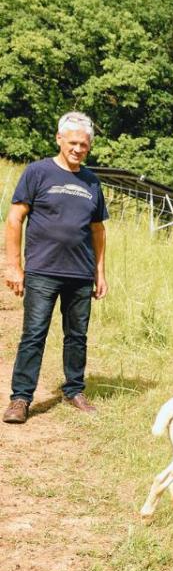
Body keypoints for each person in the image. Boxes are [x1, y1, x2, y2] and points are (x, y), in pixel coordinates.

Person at [4, 111, 108, 424]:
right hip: (42, 271)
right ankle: (21, 398)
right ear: (59, 139)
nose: (78, 149)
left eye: (84, 145)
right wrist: (13, 266)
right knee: (34, 334)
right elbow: (14, 218)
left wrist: (100, 272)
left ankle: (74, 390)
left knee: (77, 336)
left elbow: (98, 230)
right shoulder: (37, 172)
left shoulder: (91, 181)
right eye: (73, 142)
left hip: (80, 273)